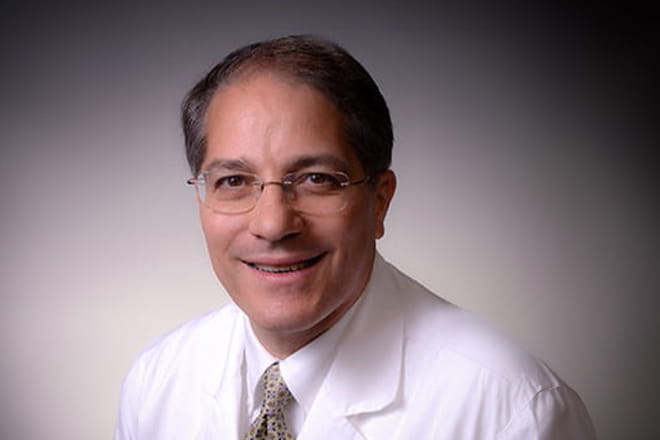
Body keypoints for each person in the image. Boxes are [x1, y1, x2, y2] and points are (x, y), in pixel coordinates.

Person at [114, 35, 596, 439]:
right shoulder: (157, 379)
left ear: (379, 200)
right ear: (202, 198)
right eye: (234, 181)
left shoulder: (512, 411)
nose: (273, 224)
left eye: (317, 178)